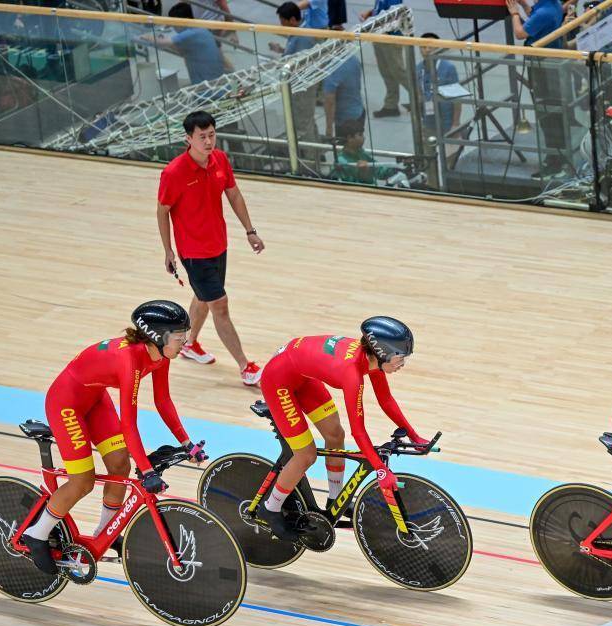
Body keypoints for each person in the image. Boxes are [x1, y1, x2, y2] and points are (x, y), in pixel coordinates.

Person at [22, 301, 207, 574]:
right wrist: (145, 470)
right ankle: (37, 534)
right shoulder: (129, 360)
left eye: (186, 336)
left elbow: (163, 400)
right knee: (82, 482)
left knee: (120, 466)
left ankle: (105, 533)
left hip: (95, 399)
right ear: (158, 337)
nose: (185, 342)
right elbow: (129, 423)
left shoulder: (160, 355)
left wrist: (187, 444)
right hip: (66, 404)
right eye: (180, 338)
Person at [255, 317, 427, 540]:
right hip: (279, 380)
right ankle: (270, 508)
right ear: (382, 352)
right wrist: (380, 470)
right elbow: (360, 432)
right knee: (306, 455)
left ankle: (335, 499)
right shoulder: (352, 374)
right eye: (400, 358)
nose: (402, 364)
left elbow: (386, 400)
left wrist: (414, 436)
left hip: (301, 375)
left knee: (335, 434)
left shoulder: (371, 360)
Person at [157, 110, 265, 386]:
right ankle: (245, 366)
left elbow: (233, 193)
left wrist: (250, 231)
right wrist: (168, 251)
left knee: (204, 297)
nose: (208, 141)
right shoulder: (174, 173)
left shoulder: (220, 160)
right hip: (194, 252)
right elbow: (162, 210)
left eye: (212, 135)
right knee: (220, 305)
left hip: (218, 244)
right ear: (188, 139)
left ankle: (189, 343)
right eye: (202, 137)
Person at [508, 0, 577, 178]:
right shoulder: (552, 6)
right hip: (548, 66)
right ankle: (556, 157)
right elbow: (535, 17)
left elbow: (520, 33)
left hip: (543, 69)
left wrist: (515, 13)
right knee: (551, 114)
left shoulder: (544, 12)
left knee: (547, 115)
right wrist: (523, 6)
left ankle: (556, 161)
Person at [270, 1, 328, 144]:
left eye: (283, 22)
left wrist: (282, 63)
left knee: (302, 123)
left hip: (302, 86)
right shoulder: (299, 32)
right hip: (301, 85)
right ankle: (317, 152)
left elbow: (298, 63)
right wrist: (282, 51)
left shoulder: (303, 36)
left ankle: (310, 157)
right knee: (307, 119)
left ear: (293, 20)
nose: (282, 26)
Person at [137, 3, 225, 85]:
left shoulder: (191, 33)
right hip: (213, 81)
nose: (173, 27)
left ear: (185, 21)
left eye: (174, 23)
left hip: (207, 86)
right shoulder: (201, 29)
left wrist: (147, 37)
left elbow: (164, 43)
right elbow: (181, 51)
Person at [360, 0, 411, 117]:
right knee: (386, 71)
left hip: (390, 37)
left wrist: (386, 31)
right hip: (379, 35)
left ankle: (421, 99)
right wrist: (371, 12)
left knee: (398, 71)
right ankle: (391, 105)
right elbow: (383, 9)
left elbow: (396, 13)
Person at [415, 33, 462, 135]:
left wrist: (455, 124)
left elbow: (457, 100)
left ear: (438, 47)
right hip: (428, 121)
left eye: (430, 46)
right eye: (423, 47)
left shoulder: (448, 68)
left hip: (447, 121)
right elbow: (419, 95)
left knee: (450, 149)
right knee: (427, 148)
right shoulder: (418, 69)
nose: (427, 50)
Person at [332, 120, 401, 184]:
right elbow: (351, 186)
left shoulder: (360, 152)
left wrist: (394, 169)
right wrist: (364, 174)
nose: (364, 138)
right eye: (360, 135)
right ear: (350, 138)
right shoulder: (341, 162)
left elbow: (378, 170)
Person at [323, 54, 365, 139]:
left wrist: (329, 129)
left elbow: (330, 101)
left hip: (345, 121)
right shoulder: (353, 59)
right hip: (359, 112)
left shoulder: (332, 68)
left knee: (345, 149)